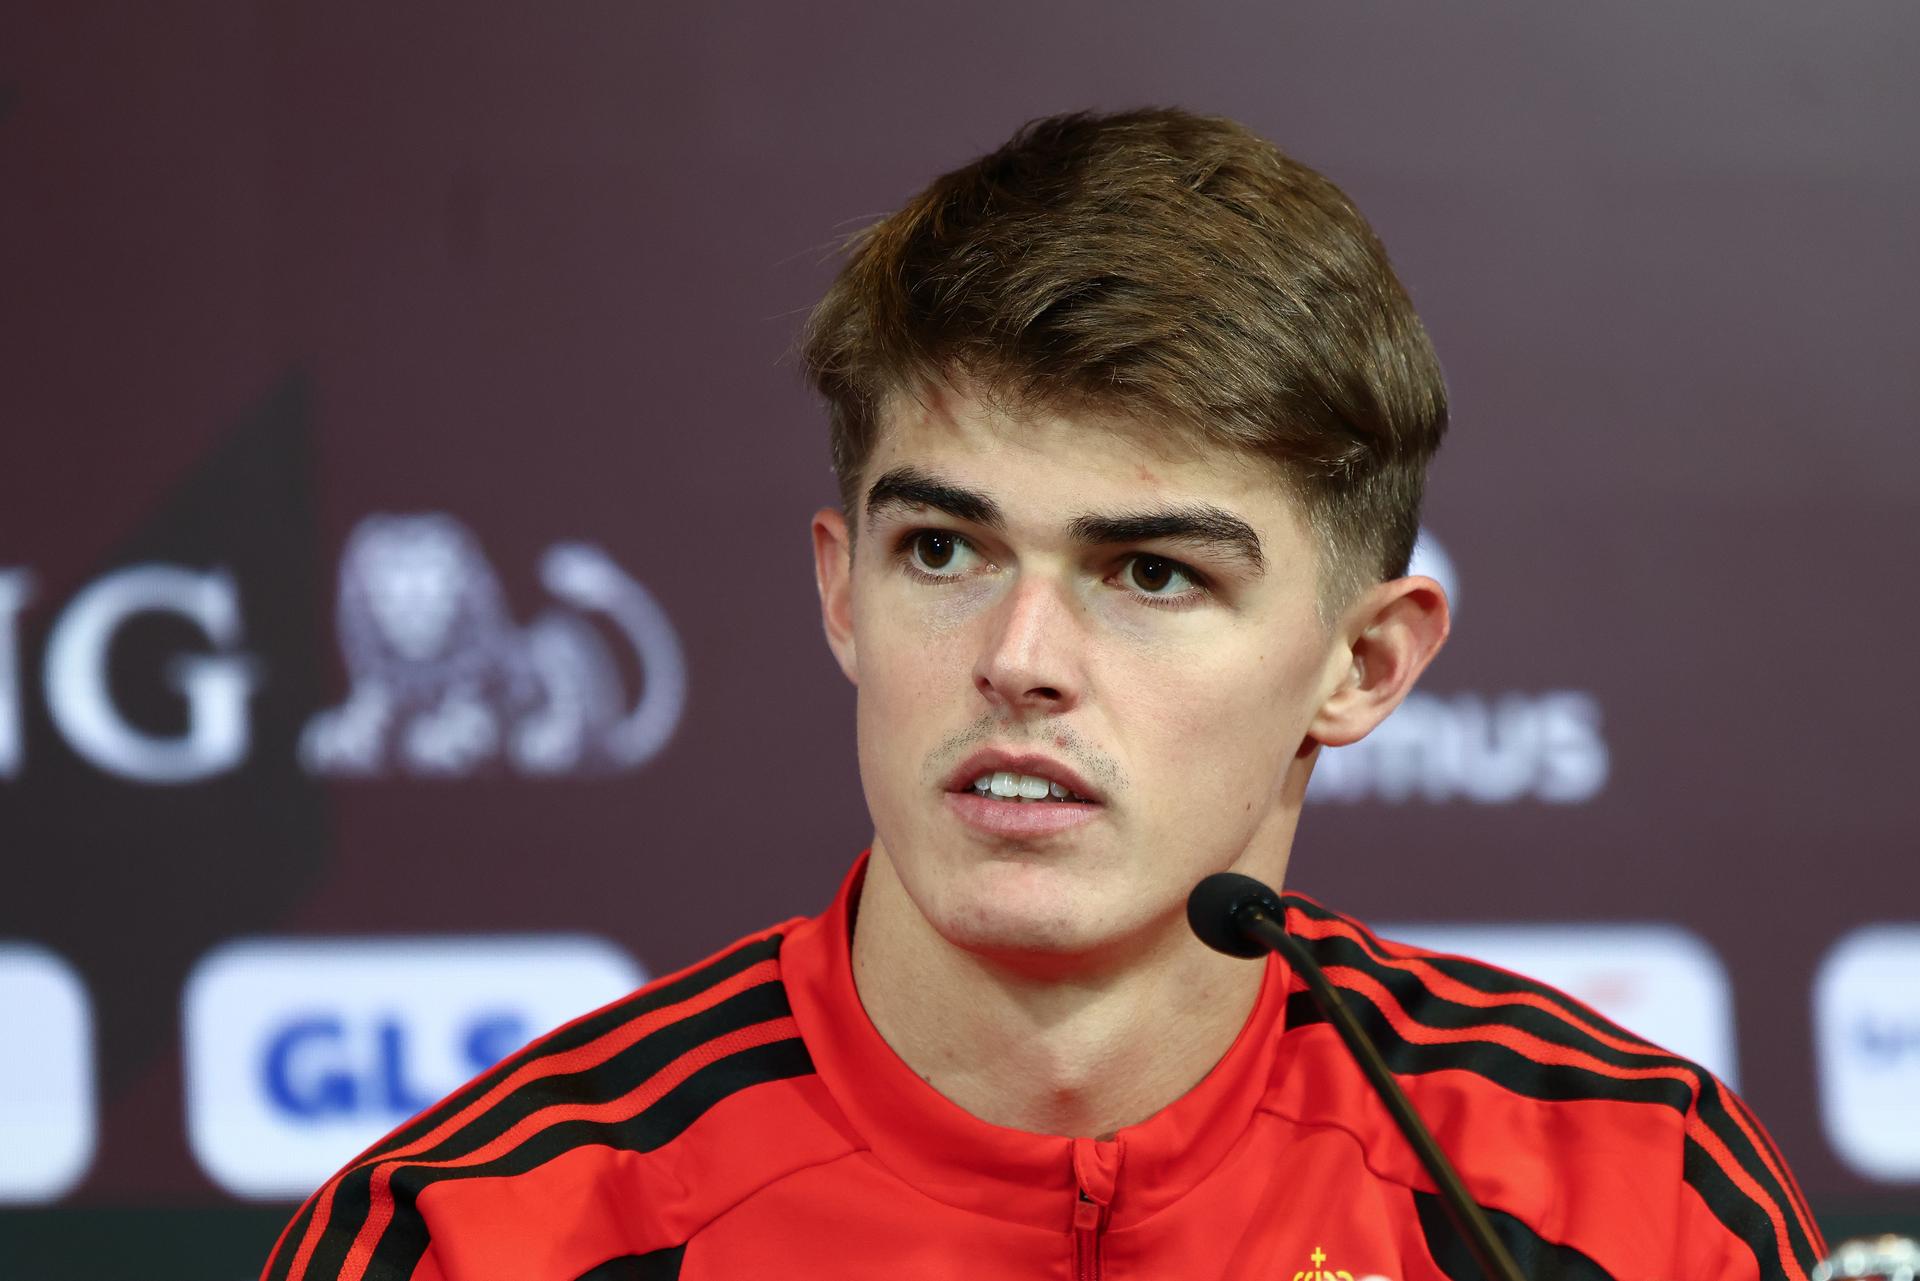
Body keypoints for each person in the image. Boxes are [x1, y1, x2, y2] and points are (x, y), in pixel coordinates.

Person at [263, 108, 1823, 1281]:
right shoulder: (476, 1233)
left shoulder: (1631, 1194)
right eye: (942, 547)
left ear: (1362, 666)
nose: (1019, 657)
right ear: (840, 591)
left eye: (1150, 574)